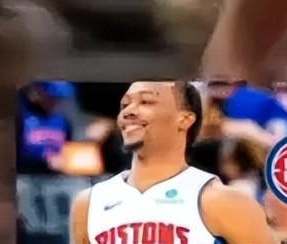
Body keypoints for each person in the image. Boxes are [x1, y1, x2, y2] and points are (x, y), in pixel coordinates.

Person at [70, 81, 272, 244]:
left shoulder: (222, 201)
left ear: (184, 119)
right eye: (125, 104)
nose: (129, 111)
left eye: (146, 102)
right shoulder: (88, 202)